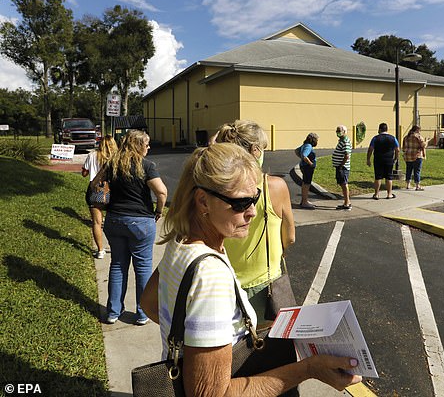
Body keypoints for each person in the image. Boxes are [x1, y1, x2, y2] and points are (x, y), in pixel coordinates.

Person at [140, 143, 361, 396]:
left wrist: (197, 342)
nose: (253, 212)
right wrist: (309, 369)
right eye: (241, 203)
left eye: (254, 197)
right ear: (203, 201)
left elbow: (148, 303)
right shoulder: (211, 275)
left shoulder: (181, 241)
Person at [215, 120, 295, 320]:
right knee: (264, 346)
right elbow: (290, 237)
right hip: (265, 286)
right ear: (255, 150)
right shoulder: (274, 187)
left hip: (224, 283)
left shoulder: (216, 189)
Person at [103, 130, 168, 325]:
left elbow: (96, 183)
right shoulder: (146, 166)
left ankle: (113, 311)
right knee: (142, 267)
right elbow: (162, 192)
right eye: (146, 144)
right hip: (140, 222)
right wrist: (159, 211)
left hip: (114, 220)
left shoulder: (112, 163)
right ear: (138, 145)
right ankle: (142, 313)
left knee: (117, 265)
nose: (148, 148)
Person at [82, 135, 118, 259]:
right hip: (112, 192)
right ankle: (116, 247)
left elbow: (84, 173)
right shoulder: (116, 158)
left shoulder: (92, 155)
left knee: (97, 222)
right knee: (113, 222)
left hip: (94, 191)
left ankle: (100, 250)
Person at [366, 123, 399, 199]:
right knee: (389, 177)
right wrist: (395, 158)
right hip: (389, 160)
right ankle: (389, 194)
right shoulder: (393, 138)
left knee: (378, 177)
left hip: (378, 159)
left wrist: (368, 159)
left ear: (379, 129)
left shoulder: (375, 138)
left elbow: (370, 149)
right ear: (387, 129)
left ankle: (376, 194)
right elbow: (397, 149)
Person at [332, 125, 352, 210]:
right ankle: (346, 202)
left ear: (344, 132)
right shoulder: (342, 140)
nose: (337, 132)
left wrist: (341, 165)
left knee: (344, 184)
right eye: (337, 130)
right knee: (342, 183)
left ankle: (347, 203)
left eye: (339, 130)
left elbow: (347, 155)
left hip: (343, 167)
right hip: (340, 167)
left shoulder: (345, 142)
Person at [402, 125, 427, 190]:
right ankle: (417, 185)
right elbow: (423, 145)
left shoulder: (406, 137)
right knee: (417, 171)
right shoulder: (418, 136)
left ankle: (408, 184)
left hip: (408, 156)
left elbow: (403, 147)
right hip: (417, 155)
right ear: (417, 130)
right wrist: (426, 142)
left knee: (408, 170)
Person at [298, 132, 319, 209]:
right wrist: (311, 163)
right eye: (316, 139)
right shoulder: (308, 146)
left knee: (305, 183)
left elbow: (297, 151)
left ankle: (304, 200)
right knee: (306, 184)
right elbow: (304, 155)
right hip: (307, 167)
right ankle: (304, 202)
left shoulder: (305, 145)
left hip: (304, 166)